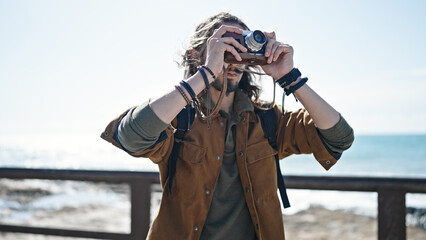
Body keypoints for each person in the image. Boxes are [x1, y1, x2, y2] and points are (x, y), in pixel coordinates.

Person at [101, 12, 354, 240]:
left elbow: (339, 137)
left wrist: (290, 78)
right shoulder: (179, 117)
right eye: (225, 46)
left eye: (241, 45)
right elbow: (130, 136)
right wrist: (208, 72)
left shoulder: (268, 119)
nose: (234, 57)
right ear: (196, 54)